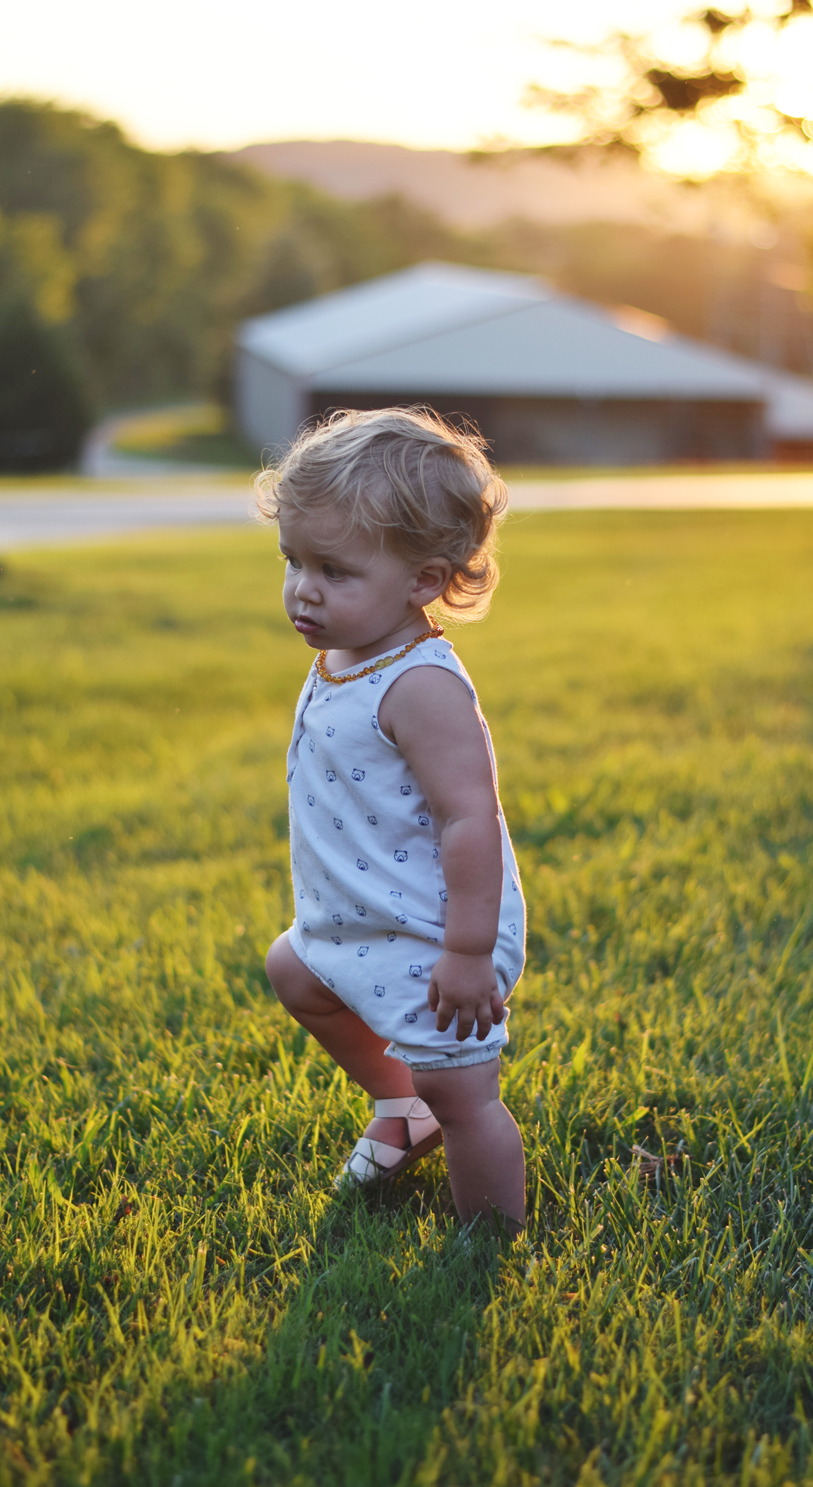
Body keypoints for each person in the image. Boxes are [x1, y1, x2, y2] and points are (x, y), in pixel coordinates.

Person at [259, 408, 526, 1233]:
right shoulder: (347, 652)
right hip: (357, 915)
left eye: (334, 569)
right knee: (295, 971)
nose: (304, 586)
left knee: (462, 1088)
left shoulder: (422, 685)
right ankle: (401, 1106)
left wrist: (468, 951)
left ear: (422, 580)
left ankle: (491, 1240)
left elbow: (471, 821)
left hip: (432, 927)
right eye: (293, 560)